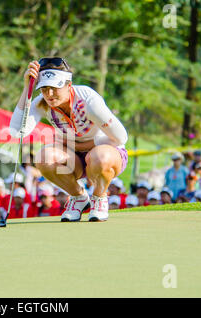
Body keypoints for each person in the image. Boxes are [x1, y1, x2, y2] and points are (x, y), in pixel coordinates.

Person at [10, 57, 128, 222]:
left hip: (108, 155)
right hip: (75, 159)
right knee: (44, 158)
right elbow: (17, 131)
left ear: (68, 85)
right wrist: (26, 89)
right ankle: (79, 198)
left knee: (99, 157)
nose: (49, 94)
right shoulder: (42, 103)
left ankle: (99, 197)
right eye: (44, 89)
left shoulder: (88, 100)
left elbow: (121, 137)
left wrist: (81, 146)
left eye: (55, 88)